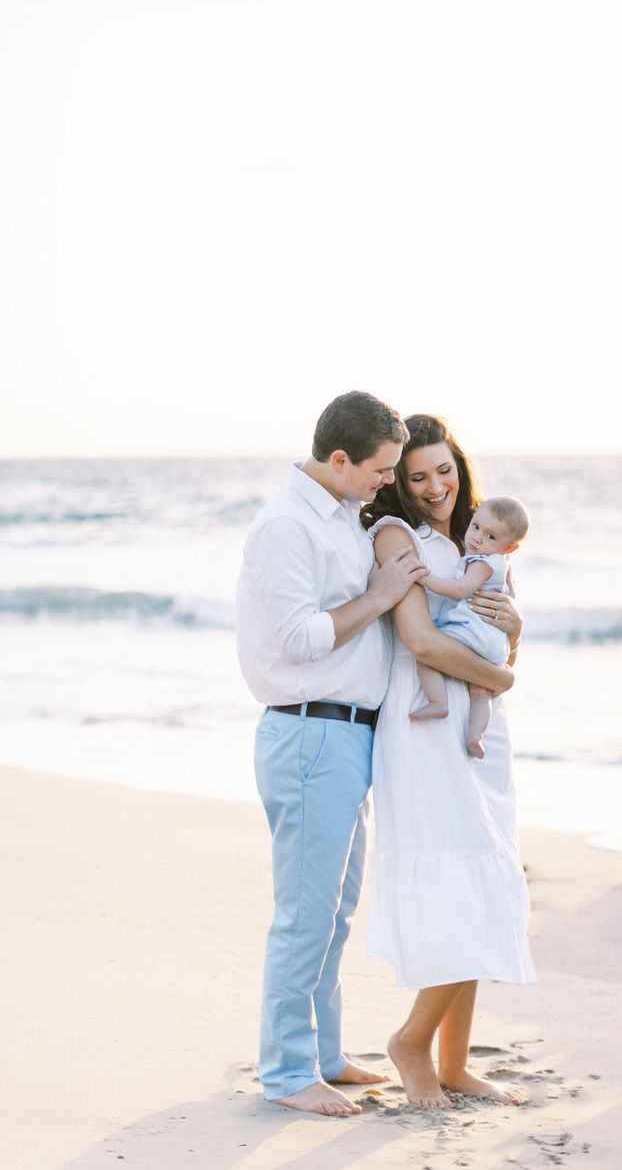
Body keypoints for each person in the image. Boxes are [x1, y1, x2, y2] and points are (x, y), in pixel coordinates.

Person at [235, 391, 430, 1118]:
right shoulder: (287, 526)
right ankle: (287, 1072)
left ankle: (320, 1052)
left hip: (345, 733)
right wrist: (381, 596)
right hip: (310, 729)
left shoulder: (345, 516)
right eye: (380, 470)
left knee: (335, 909)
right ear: (339, 458)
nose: (388, 482)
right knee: (306, 912)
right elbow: (300, 638)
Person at [360, 414, 536, 1109]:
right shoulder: (396, 537)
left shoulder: (476, 541)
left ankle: (456, 1062)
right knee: (456, 885)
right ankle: (412, 1042)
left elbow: (497, 640)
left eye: (445, 470)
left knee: (485, 882)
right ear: (399, 480)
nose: (436, 486)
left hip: (478, 731)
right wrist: (502, 678)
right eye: (417, 474)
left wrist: (514, 639)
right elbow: (422, 641)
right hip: (426, 722)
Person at [410, 496, 530, 759]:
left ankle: (438, 703)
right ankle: (475, 737)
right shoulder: (502, 565)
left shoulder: (483, 563)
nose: (477, 538)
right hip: (494, 643)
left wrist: (426, 579)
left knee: (427, 658)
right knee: (480, 692)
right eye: (476, 527)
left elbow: (460, 588)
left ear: (509, 548)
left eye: (490, 537)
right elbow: (511, 596)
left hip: (471, 632)